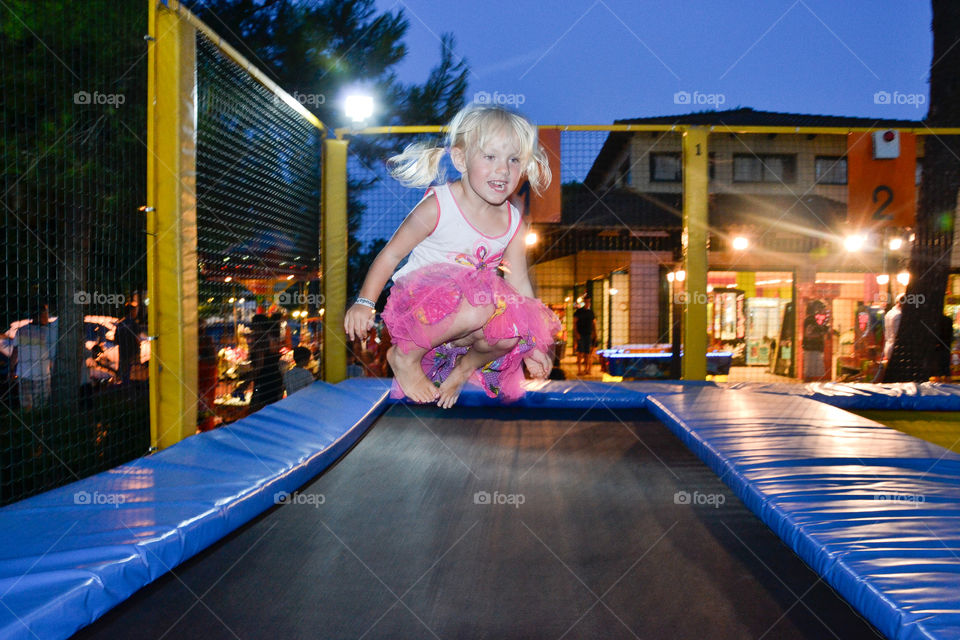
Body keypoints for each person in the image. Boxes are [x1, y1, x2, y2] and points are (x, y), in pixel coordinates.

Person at [344, 104, 559, 408]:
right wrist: (365, 303)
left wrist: (533, 345)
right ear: (460, 158)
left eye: (514, 160)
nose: (503, 169)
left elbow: (521, 283)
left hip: (469, 318)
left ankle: (461, 371)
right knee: (481, 306)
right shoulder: (439, 206)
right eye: (490, 157)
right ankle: (404, 357)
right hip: (420, 309)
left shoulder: (512, 221)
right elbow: (391, 255)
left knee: (510, 330)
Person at [11, 304, 56, 410]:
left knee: (27, 406)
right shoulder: (48, 331)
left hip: (24, 374)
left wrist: (12, 369)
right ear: (39, 316)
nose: (47, 318)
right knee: (41, 405)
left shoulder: (21, 330)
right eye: (46, 315)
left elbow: (15, 352)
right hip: (42, 376)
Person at [249, 313, 284, 410]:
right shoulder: (273, 338)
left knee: (257, 411)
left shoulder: (261, 341)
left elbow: (259, 367)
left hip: (263, 382)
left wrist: (245, 383)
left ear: (259, 326)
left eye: (253, 326)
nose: (252, 330)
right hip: (276, 379)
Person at [802, 300, 829, 381]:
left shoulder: (814, 319)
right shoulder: (810, 320)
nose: (822, 310)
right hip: (811, 348)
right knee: (810, 372)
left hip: (815, 348)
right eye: (820, 308)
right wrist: (821, 334)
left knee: (813, 372)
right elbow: (808, 334)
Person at [116, 303, 140, 384]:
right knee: (132, 370)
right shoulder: (133, 323)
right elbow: (137, 338)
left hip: (122, 352)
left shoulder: (120, 324)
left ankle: (124, 384)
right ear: (131, 311)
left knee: (124, 371)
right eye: (134, 311)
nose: (136, 313)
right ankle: (130, 386)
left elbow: (116, 340)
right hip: (132, 351)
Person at [573, 295, 597, 375]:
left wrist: (595, 334)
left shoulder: (591, 312)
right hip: (581, 334)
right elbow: (574, 323)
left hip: (588, 334)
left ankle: (586, 369)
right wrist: (576, 334)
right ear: (584, 302)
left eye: (589, 302)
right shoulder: (579, 312)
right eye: (586, 302)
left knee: (587, 353)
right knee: (580, 353)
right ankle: (579, 370)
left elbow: (594, 324)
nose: (588, 303)